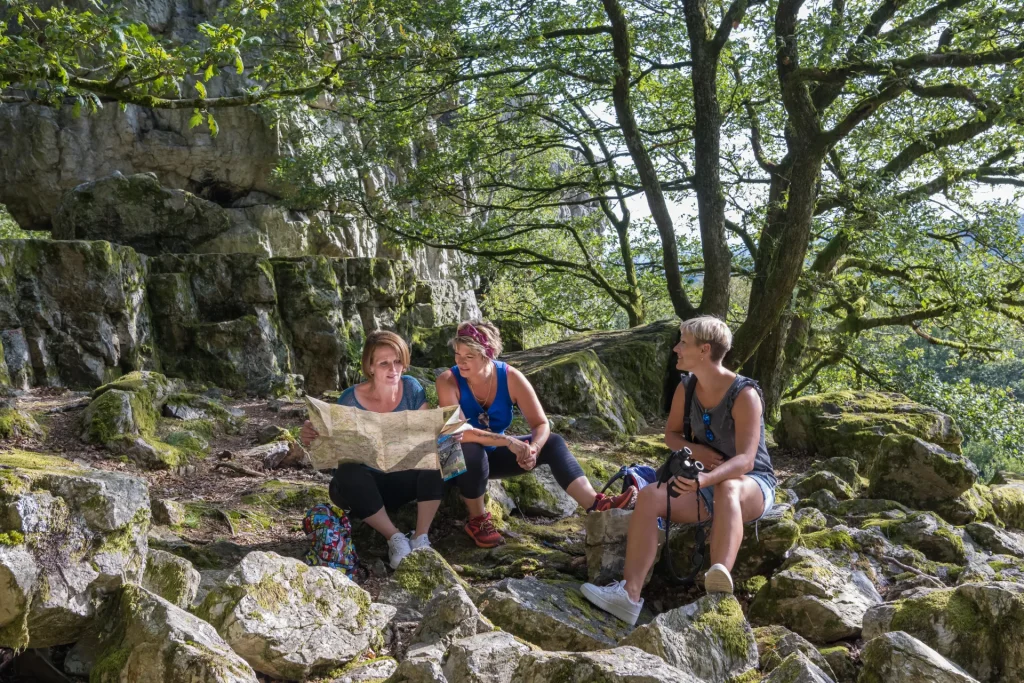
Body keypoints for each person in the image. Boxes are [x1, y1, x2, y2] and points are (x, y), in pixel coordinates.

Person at [580, 315, 777, 625]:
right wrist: (697, 452)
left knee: (729, 486)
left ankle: (718, 590)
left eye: (683, 343)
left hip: (751, 485)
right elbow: (671, 436)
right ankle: (629, 596)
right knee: (649, 496)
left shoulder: (744, 394)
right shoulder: (686, 389)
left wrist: (705, 479)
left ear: (704, 350)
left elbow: (747, 460)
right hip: (706, 484)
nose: (675, 349)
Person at [436, 320, 637, 549]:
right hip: (454, 461)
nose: (459, 361)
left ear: (487, 354)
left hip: (491, 456)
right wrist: (509, 441)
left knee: (553, 442)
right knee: (470, 448)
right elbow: (456, 432)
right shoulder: (448, 380)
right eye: (457, 354)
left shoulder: (511, 378)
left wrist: (534, 449)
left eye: (468, 356)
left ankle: (596, 504)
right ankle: (478, 521)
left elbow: (541, 424)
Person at [299, 330, 458, 570]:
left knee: (440, 452)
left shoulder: (412, 388)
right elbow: (338, 449)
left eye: (397, 361)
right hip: (366, 486)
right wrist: (313, 434)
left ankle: (420, 538)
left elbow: (426, 431)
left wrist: (446, 432)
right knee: (347, 472)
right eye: (384, 363)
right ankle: (395, 538)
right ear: (370, 367)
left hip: (403, 480)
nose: (393, 369)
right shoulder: (350, 399)